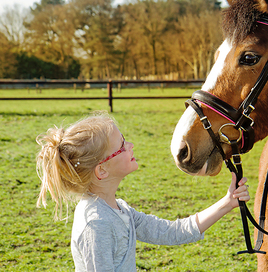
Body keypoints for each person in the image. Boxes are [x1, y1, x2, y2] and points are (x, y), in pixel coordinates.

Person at [36, 113, 250, 271]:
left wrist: (228, 202)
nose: (130, 145)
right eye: (121, 146)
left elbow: (173, 232)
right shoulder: (96, 225)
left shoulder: (119, 210)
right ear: (102, 170)